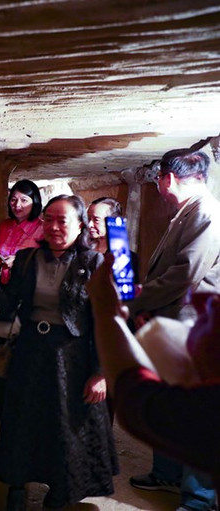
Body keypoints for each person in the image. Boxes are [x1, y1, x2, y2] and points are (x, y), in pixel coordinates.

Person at [0, 195, 117, 510]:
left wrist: (100, 372)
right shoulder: (26, 259)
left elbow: (105, 323)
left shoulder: (93, 263)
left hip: (72, 358)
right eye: (47, 219)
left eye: (61, 220)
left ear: (80, 226)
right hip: (30, 353)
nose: (52, 226)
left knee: (64, 425)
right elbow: (7, 306)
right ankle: (17, 485)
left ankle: (60, 489)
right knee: (23, 421)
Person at [125, 150, 220, 511]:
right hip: (176, 322)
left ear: (167, 179)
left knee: (193, 412)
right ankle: (166, 472)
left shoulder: (206, 213)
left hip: (194, 328)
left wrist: (138, 301)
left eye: (158, 179)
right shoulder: (187, 213)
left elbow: (185, 274)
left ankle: (197, 499)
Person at [88, 253, 220, 496]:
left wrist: (106, 311)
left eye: (210, 315)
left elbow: (137, 397)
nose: (195, 323)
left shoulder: (210, 408)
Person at [0, 179, 44, 421]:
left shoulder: (40, 228)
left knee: (25, 353)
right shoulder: (5, 225)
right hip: (3, 292)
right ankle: (1, 405)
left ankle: (23, 409)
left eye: (24, 200)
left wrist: (18, 261)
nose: (17, 204)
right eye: (13, 199)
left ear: (35, 202)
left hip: (28, 295)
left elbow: (42, 260)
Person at [87, 196, 139, 283]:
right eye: (88, 218)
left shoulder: (125, 258)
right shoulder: (80, 250)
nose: (89, 225)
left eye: (96, 220)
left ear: (112, 221)